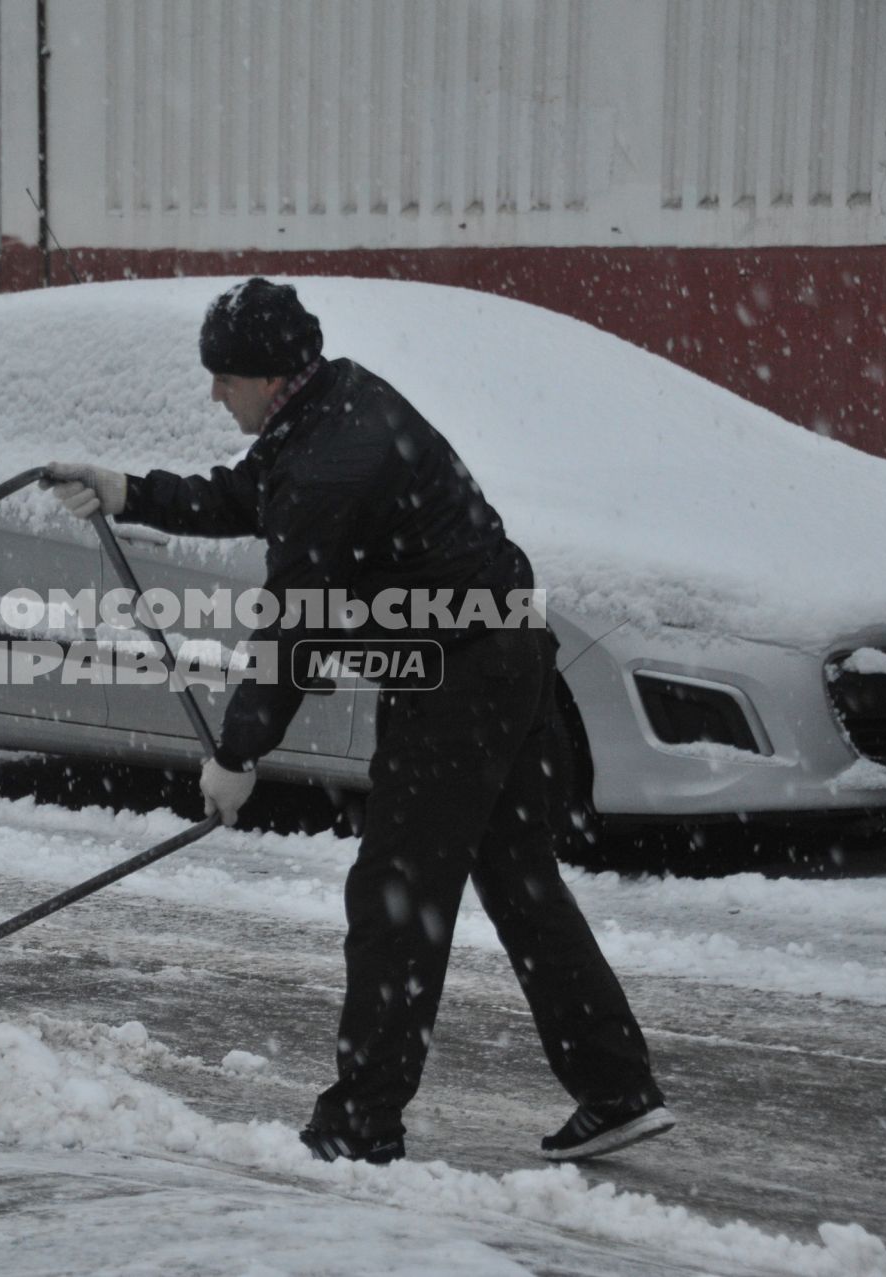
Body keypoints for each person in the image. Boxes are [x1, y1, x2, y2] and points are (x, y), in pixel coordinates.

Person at [44, 277, 674, 1164]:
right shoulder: (331, 402)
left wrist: (238, 752)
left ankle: (361, 1120)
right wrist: (126, 490)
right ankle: (615, 1086)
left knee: (396, 896)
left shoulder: (329, 458)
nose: (214, 393)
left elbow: (293, 624)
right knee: (516, 879)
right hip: (504, 648)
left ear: (269, 375)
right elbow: (244, 498)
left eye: (224, 377)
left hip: (459, 673)